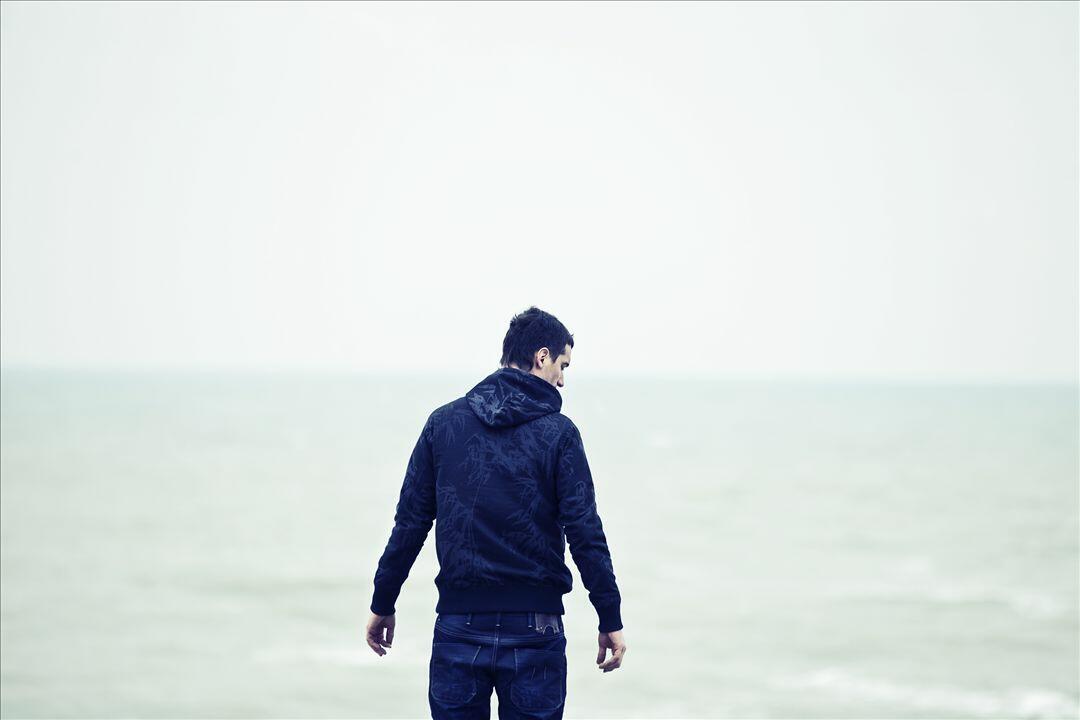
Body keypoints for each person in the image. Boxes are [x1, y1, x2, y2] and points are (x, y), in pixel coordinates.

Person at [365, 306, 627, 719]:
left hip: (459, 624)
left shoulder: (443, 424)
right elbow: (584, 531)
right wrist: (609, 616)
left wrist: (383, 601)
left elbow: (410, 523)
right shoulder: (560, 434)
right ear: (541, 356)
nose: (562, 379)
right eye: (562, 365)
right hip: (535, 629)